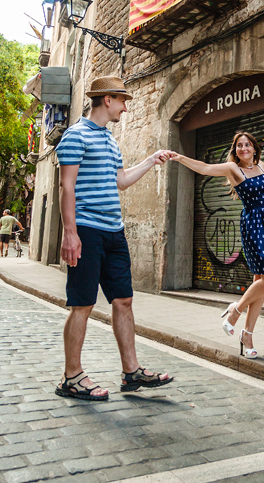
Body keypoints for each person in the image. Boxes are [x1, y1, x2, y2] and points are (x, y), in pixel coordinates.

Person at [54, 75, 174, 400]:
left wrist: (151, 160)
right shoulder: (75, 136)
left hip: (113, 232)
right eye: (122, 101)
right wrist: (70, 233)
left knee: (123, 300)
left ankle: (131, 373)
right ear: (108, 99)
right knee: (83, 303)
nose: (125, 108)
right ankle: (72, 376)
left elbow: (120, 181)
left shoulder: (109, 140)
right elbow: (67, 186)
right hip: (87, 230)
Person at [169, 131, 264, 358]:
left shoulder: (260, 166)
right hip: (254, 225)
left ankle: (247, 335)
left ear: (253, 148)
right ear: (236, 150)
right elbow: (204, 168)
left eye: (247, 145)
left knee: (260, 282)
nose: (243, 149)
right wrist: (180, 158)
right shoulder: (233, 169)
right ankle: (235, 310)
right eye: (239, 146)